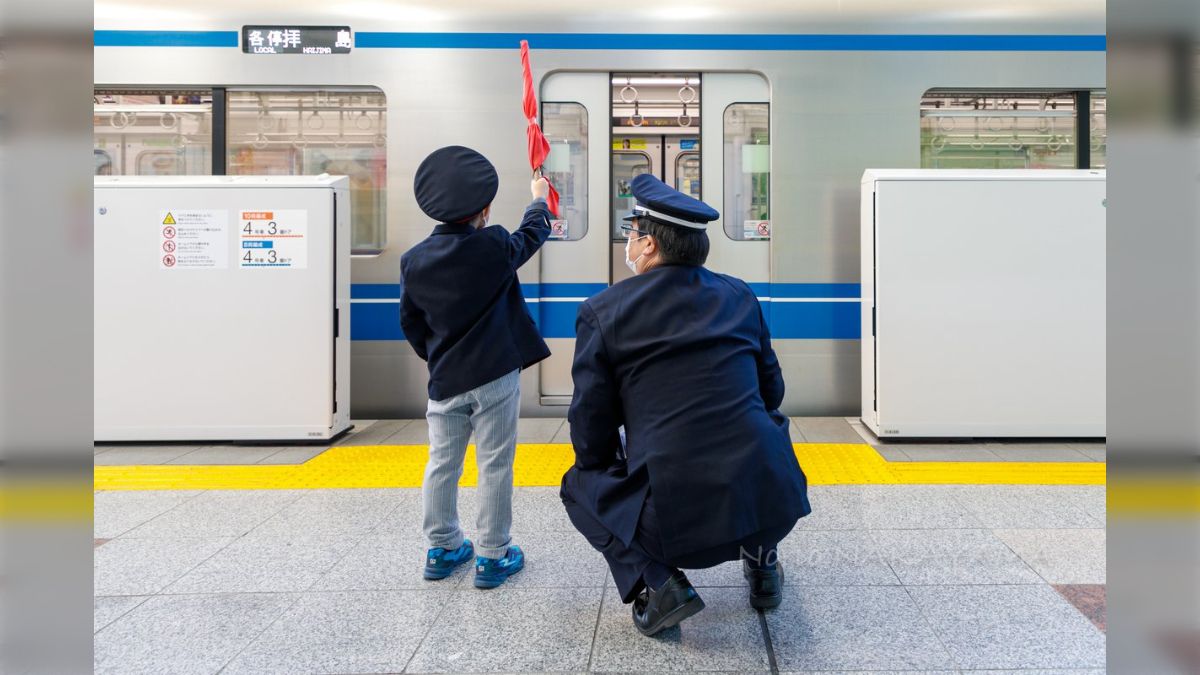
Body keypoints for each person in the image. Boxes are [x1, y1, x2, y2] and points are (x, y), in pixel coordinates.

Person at [559, 173, 811, 636]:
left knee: (578, 483)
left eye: (632, 234)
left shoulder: (603, 310)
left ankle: (660, 584)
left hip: (674, 529)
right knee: (764, 430)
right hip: (775, 503)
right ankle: (763, 564)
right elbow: (770, 391)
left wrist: (615, 477)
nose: (629, 243)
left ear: (650, 245)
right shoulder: (739, 294)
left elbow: (591, 428)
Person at [400, 145, 552, 589]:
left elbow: (410, 323)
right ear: (483, 209)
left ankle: (442, 547)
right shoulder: (493, 245)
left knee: (442, 464)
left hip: (445, 379)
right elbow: (532, 234)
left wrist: (439, 358)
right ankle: (492, 555)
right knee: (495, 464)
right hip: (495, 377)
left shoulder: (414, 260)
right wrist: (539, 197)